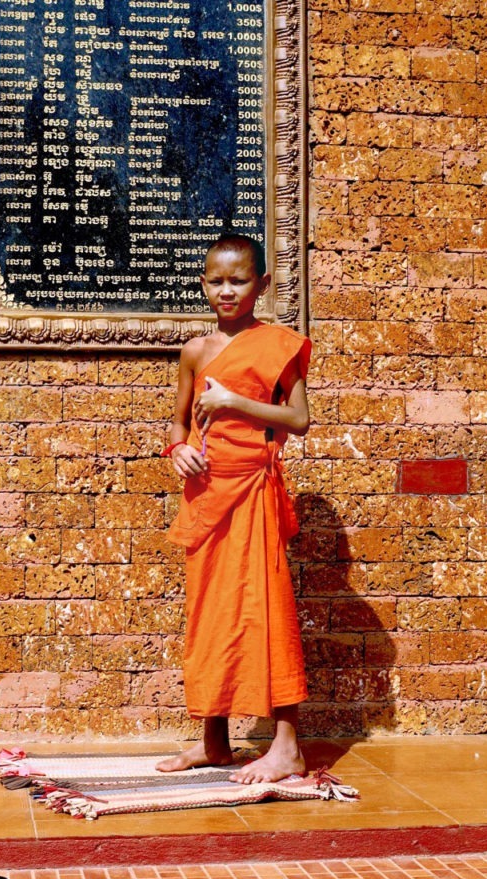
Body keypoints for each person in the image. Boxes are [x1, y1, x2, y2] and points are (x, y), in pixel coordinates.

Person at [156, 234, 311, 784]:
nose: (227, 291)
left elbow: (298, 420)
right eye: (216, 281)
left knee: (267, 609)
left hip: (253, 491)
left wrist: (235, 401)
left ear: (262, 285)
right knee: (211, 614)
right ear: (203, 283)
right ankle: (214, 742)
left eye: (239, 280)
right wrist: (177, 451)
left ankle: (286, 746)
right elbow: (177, 422)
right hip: (207, 496)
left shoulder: (278, 344)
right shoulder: (195, 351)